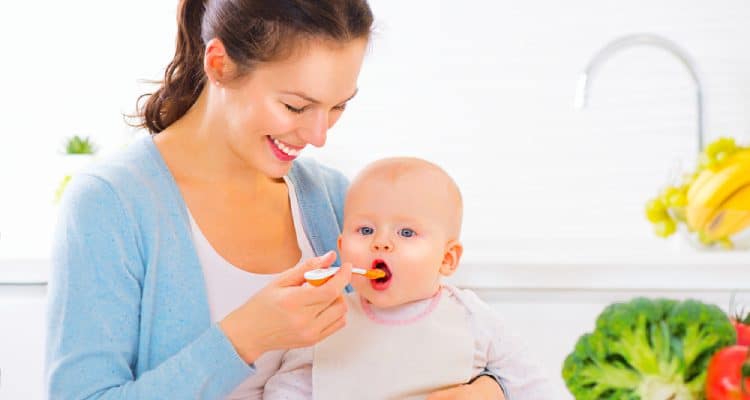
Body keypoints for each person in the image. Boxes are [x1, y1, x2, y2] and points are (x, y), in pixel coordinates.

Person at [44, 1, 507, 399]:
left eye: (338, 106)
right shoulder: (110, 205)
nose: (318, 135)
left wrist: (488, 388)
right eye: (296, 106)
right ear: (220, 64)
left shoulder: (335, 200)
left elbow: (447, 334)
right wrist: (245, 337)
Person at [263, 158, 560, 400]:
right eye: (365, 230)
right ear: (342, 247)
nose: (381, 242)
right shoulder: (326, 320)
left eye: (406, 233)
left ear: (447, 259)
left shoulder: (471, 317)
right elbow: (287, 389)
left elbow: (534, 388)